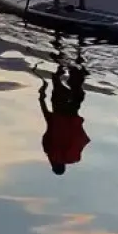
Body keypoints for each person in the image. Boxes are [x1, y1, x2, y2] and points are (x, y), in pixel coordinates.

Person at [37, 38, 90, 175]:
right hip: (59, 107)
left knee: (76, 84)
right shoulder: (50, 150)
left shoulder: (73, 154)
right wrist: (41, 98)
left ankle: (80, 51)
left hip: (73, 111)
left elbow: (81, 138)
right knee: (57, 78)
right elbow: (49, 123)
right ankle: (59, 45)